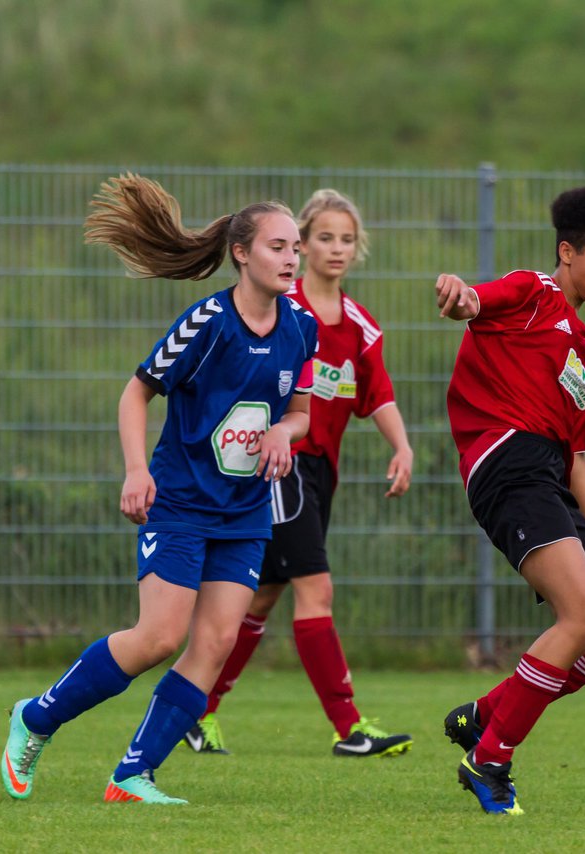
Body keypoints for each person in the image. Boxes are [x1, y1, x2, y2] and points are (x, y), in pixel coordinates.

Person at [0, 174, 319, 804]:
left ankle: (133, 774)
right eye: (279, 246)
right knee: (158, 638)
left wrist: (287, 430)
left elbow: (302, 411)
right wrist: (136, 470)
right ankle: (35, 718)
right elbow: (136, 391)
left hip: (246, 511)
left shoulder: (301, 327)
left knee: (218, 641)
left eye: (295, 247)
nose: (292, 258)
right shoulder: (208, 323)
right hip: (179, 503)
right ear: (242, 253)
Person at [433, 186, 585, 815]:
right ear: (567, 252)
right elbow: (477, 302)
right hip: (505, 463)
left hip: (549, 478)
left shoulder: (583, 353)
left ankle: (488, 715)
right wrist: (459, 294)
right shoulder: (533, 291)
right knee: (581, 615)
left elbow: (577, 461)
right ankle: (490, 760)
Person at [183, 189, 414, 759]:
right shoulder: (286, 312)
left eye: (347, 239)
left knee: (261, 598)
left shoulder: (360, 323)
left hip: (320, 471)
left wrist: (403, 445)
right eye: (325, 237)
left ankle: (196, 710)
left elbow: (377, 393)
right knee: (317, 587)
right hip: (280, 463)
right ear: (301, 245)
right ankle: (350, 727)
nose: (337, 248)